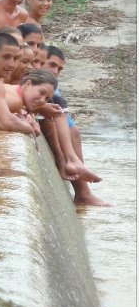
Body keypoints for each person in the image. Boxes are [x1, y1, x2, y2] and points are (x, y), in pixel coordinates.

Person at [40, 46, 109, 205]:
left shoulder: (51, 83)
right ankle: (82, 192)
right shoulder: (34, 75)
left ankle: (83, 192)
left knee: (75, 132)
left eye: (59, 69)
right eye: (52, 65)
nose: (56, 71)